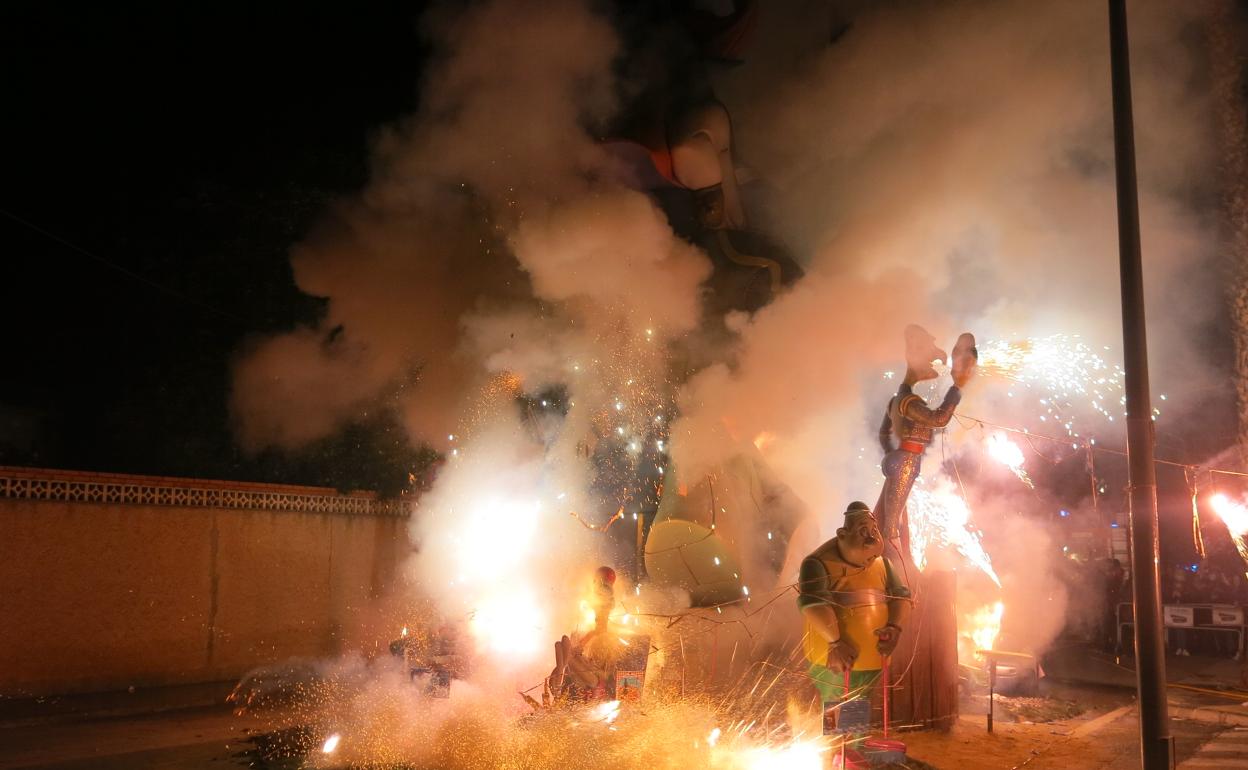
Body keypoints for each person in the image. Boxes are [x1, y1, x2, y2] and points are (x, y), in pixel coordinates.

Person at [798, 502, 912, 733]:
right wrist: (835, 642)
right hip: (834, 658)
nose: (871, 539)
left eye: (874, 531)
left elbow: (901, 597)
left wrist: (894, 627)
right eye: (863, 532)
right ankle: (836, 750)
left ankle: (851, 750)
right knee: (837, 699)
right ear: (842, 534)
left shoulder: (882, 563)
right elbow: (813, 603)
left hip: (873, 656)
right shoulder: (817, 563)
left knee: (859, 701)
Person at [876, 326, 976, 543]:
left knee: (891, 515)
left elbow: (884, 434)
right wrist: (957, 387)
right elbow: (939, 419)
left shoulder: (896, 400)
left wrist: (891, 455)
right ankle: (889, 561)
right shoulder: (907, 401)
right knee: (891, 525)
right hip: (906, 462)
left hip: (900, 459)